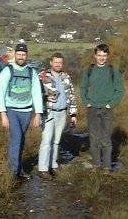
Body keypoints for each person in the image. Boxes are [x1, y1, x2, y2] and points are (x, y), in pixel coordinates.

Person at [0, 43, 43, 180]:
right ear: (15, 55)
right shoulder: (7, 71)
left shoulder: (31, 72)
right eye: (19, 54)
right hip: (12, 111)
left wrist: (38, 114)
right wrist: (3, 114)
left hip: (27, 111)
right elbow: (0, 93)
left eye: (24, 55)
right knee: (16, 139)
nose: (21, 57)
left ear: (26, 56)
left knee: (20, 140)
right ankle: (14, 174)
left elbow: (36, 93)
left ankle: (18, 169)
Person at [80, 43, 124, 172]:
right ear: (95, 55)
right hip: (92, 108)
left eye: (104, 55)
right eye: (99, 55)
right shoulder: (89, 70)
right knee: (94, 138)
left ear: (107, 56)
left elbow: (120, 90)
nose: (101, 58)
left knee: (105, 138)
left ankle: (106, 166)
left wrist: (111, 104)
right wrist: (86, 101)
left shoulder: (112, 70)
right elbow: (83, 87)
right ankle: (96, 165)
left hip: (107, 109)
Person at [38, 52, 77, 180]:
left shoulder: (66, 77)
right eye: (56, 62)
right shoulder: (42, 76)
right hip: (49, 112)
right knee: (46, 140)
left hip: (62, 112)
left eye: (60, 62)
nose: (58, 64)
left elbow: (71, 95)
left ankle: (53, 165)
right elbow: (35, 94)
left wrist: (73, 114)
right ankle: (43, 169)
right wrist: (45, 97)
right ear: (51, 62)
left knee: (56, 141)